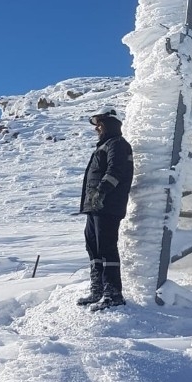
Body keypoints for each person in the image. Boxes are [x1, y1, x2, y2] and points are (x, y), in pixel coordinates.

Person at [77, 106, 134, 310]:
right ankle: (98, 290)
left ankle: (113, 293)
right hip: (95, 207)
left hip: (108, 206)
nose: (96, 128)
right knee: (93, 247)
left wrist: (101, 191)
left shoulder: (118, 145)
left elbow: (116, 171)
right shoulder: (104, 146)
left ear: (109, 123)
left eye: (99, 124)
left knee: (106, 248)